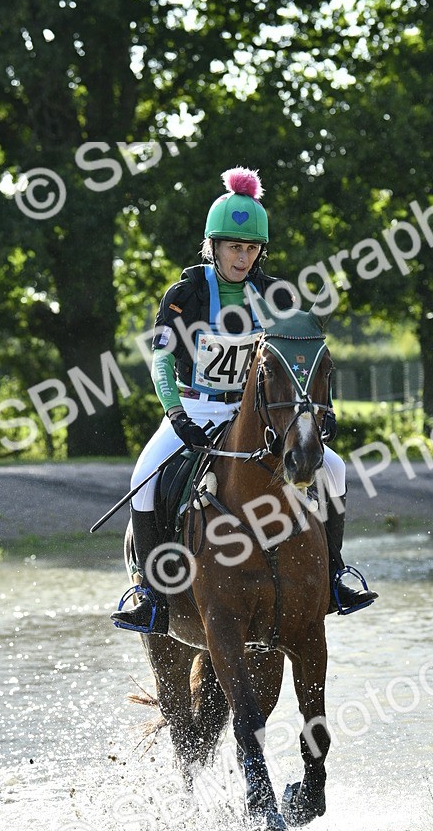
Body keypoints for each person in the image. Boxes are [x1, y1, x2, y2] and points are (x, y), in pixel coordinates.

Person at [112, 166, 377, 634]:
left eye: (251, 247)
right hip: (194, 408)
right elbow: (161, 361)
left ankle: (335, 575)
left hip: (257, 415)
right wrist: (175, 415)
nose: (243, 256)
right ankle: (150, 596)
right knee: (144, 478)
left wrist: (314, 414)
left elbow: (306, 359)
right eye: (235, 246)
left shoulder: (274, 296)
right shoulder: (186, 295)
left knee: (333, 469)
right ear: (213, 246)